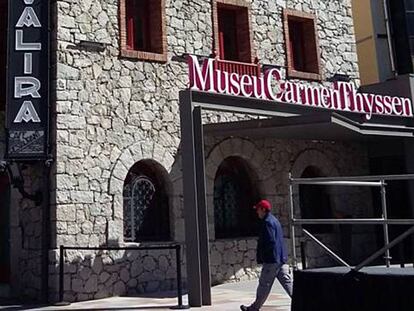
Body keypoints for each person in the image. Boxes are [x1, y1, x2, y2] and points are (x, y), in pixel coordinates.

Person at [240, 199, 293, 311]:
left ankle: (254, 308)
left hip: (272, 260)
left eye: (258, 210)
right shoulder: (275, 221)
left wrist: (264, 256)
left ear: (263, 209)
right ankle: (302, 302)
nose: (257, 212)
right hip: (280, 258)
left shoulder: (267, 222)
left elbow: (270, 241)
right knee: (288, 283)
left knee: (264, 284)